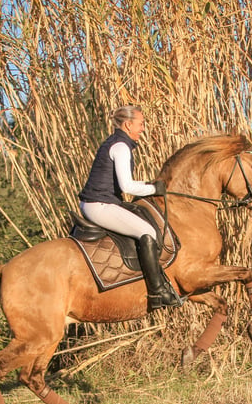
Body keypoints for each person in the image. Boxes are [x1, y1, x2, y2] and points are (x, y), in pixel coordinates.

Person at [78, 105, 183, 310]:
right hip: (99, 205)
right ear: (128, 124)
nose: (143, 128)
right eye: (141, 124)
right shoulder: (121, 147)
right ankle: (157, 292)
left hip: (102, 202)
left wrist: (149, 185)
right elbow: (126, 186)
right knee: (147, 231)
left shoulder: (117, 143)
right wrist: (153, 188)